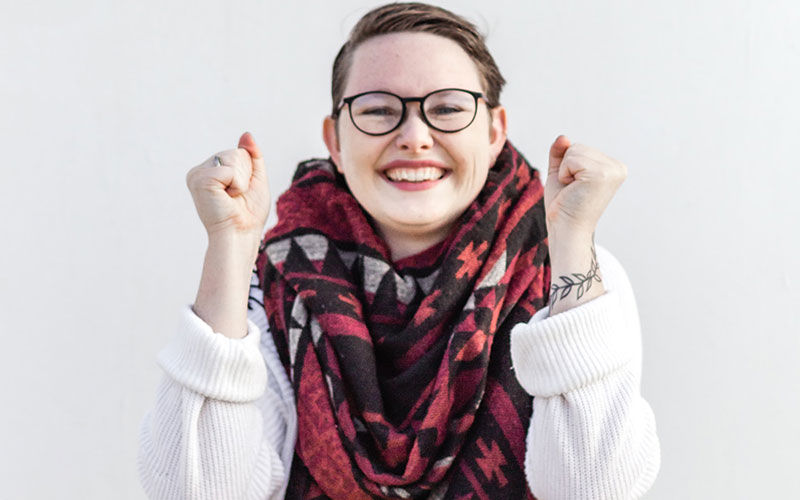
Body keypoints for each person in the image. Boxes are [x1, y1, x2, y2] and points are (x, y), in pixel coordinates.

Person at [137, 3, 660, 499]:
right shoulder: (270, 284)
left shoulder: (574, 277)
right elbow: (198, 491)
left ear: (495, 132)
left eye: (448, 108)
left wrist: (571, 239)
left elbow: (593, 487)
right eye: (378, 109)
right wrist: (231, 245)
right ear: (335, 140)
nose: (414, 136)